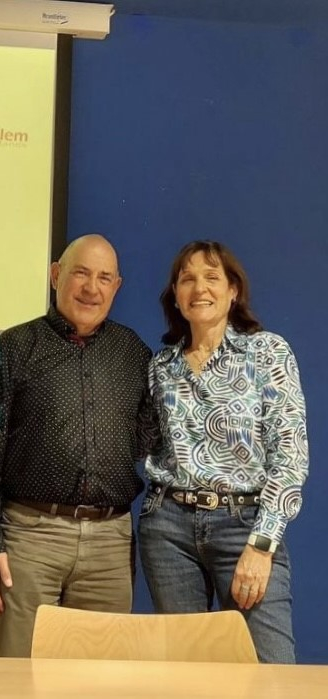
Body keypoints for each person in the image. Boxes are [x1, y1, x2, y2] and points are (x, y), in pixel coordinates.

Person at [0, 234, 157, 657]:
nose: (92, 287)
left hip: (111, 544)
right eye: (81, 273)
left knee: (101, 682)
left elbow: (149, 439)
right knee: (17, 675)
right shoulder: (11, 350)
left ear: (117, 287)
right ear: (55, 276)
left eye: (104, 277)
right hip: (30, 540)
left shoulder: (134, 354)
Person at [138, 240, 308, 664]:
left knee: (271, 673)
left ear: (234, 290)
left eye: (212, 277)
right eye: (187, 278)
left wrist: (262, 544)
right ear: (175, 296)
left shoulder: (267, 351)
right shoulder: (161, 367)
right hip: (168, 530)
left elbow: (290, 454)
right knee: (185, 673)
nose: (200, 288)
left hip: (244, 528)